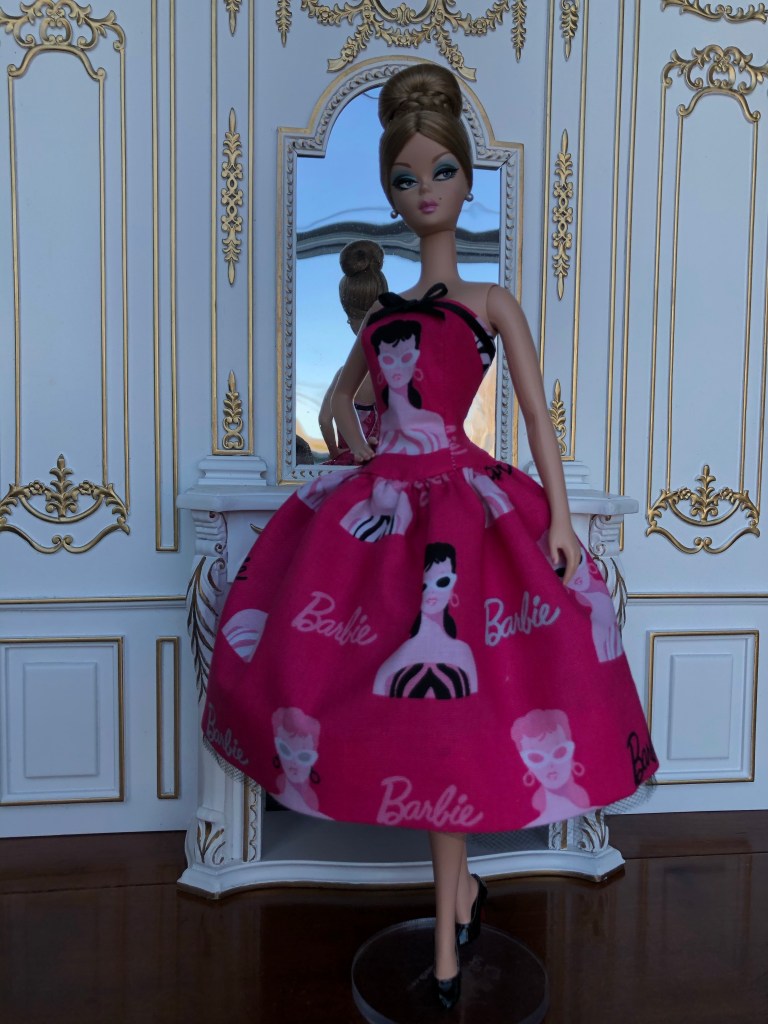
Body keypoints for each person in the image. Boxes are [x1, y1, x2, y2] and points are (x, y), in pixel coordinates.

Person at [203, 63, 658, 1010]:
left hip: (469, 511)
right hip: (392, 516)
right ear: (391, 193)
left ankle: (454, 929)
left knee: (465, 717)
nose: (424, 192)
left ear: (465, 180)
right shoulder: (385, 318)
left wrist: (559, 516)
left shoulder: (489, 305)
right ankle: (459, 908)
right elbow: (340, 409)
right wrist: (368, 456)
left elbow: (537, 418)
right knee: (409, 717)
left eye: (440, 172)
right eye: (406, 179)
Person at [319, 240, 387, 464]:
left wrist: (334, 451)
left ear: (351, 318)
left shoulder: (344, 375)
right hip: (387, 458)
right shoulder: (393, 370)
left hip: (351, 460)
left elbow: (324, 420)